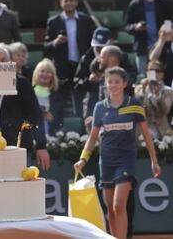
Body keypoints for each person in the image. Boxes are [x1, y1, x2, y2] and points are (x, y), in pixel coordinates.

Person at [74, 66, 161, 239]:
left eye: (117, 82)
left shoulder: (134, 105)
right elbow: (92, 138)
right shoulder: (99, 107)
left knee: (118, 205)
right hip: (106, 162)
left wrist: (154, 161)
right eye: (110, 82)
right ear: (105, 84)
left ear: (124, 84)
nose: (113, 85)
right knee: (110, 212)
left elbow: (146, 135)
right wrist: (83, 159)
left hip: (126, 162)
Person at [0, 44, 50, 170]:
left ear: (11, 63)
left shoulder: (21, 84)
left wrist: (41, 146)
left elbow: (35, 115)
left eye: (3, 60)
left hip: (15, 151)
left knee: (17, 189)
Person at [45, 0, 95, 121]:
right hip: (62, 68)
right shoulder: (53, 21)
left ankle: (81, 134)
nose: (69, 3)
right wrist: (56, 41)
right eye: (66, 0)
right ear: (61, 3)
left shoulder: (86, 20)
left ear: (76, 2)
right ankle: (57, 135)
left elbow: (93, 44)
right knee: (58, 102)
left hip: (82, 67)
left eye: (71, 0)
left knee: (81, 101)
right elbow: (46, 47)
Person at [124, 0, 172, 75]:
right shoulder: (134, 4)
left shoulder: (164, 2)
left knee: (165, 75)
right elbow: (127, 26)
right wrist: (136, 27)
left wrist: (167, 28)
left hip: (163, 47)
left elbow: (170, 20)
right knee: (144, 78)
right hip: (142, 49)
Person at [134, 60, 173, 139]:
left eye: (157, 71)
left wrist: (157, 95)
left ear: (162, 74)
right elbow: (137, 109)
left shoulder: (168, 91)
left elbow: (165, 111)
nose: (154, 73)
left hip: (161, 129)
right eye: (150, 70)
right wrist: (144, 91)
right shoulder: (139, 88)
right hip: (143, 128)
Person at [32, 58, 60, 135]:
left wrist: (52, 118)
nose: (45, 74)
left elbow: (59, 116)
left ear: (52, 76)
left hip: (52, 132)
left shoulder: (57, 95)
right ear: (36, 74)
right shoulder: (30, 92)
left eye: (48, 72)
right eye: (42, 71)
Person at [149, 21, 173, 86]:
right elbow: (153, 59)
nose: (166, 34)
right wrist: (161, 41)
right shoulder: (158, 46)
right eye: (164, 32)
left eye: (169, 32)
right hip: (164, 80)